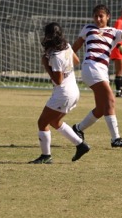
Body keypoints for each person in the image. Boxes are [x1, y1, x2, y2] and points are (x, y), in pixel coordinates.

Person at [71, 4, 122, 148]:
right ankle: (116, 139)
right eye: (96, 16)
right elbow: (74, 48)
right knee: (110, 100)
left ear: (108, 17)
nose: (98, 18)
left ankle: (78, 129)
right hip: (90, 68)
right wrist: (65, 65)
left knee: (101, 108)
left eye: (101, 16)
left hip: (102, 71)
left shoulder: (114, 32)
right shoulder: (88, 29)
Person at [29, 22, 91, 164]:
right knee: (55, 121)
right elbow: (76, 61)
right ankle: (81, 145)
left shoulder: (56, 55)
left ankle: (46, 156)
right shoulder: (67, 46)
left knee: (42, 122)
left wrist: (46, 65)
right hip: (73, 91)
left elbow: (58, 80)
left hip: (63, 93)